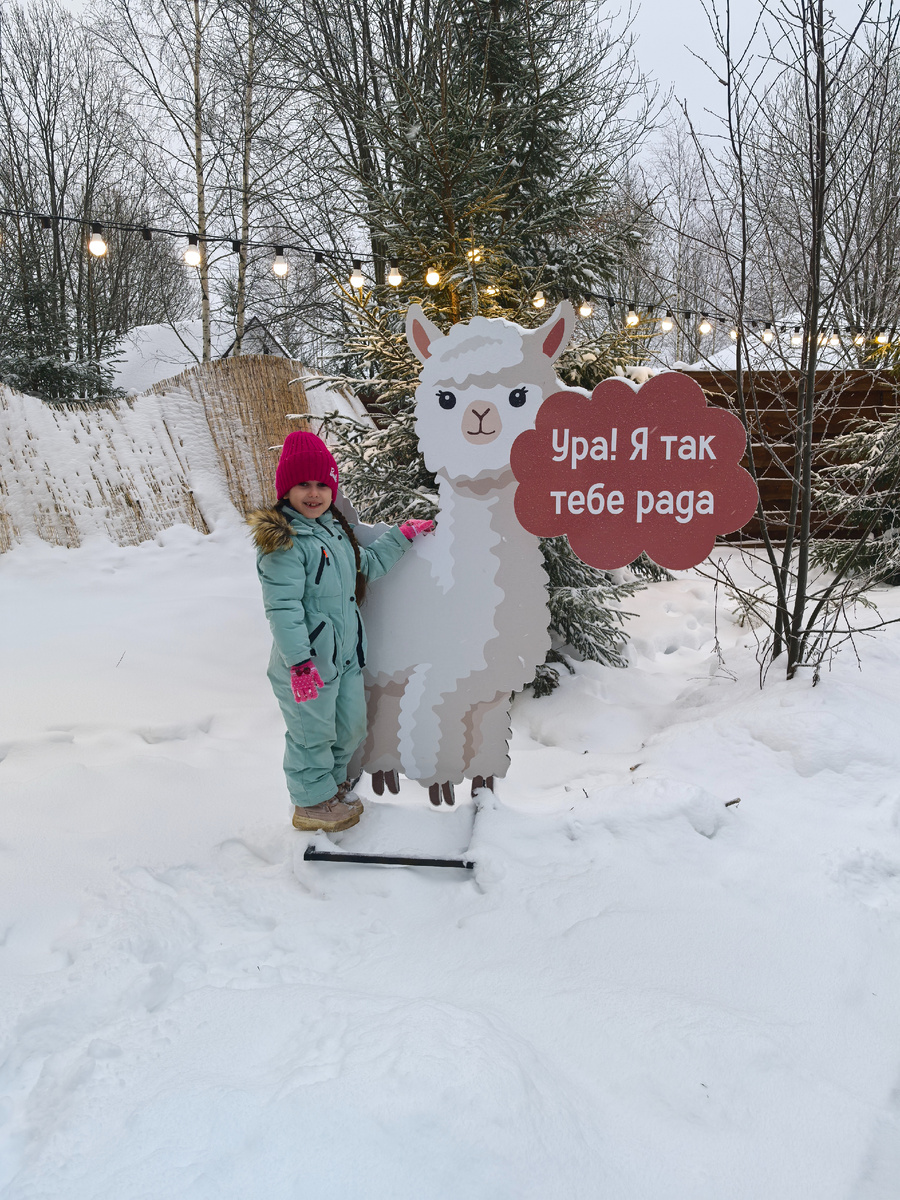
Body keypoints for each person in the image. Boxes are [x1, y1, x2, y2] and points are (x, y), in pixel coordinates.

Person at [249, 431, 433, 833]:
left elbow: (366, 565)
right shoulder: (283, 543)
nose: (313, 493)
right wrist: (299, 663)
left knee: (349, 727)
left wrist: (401, 537)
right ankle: (311, 804)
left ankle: (330, 787)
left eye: (321, 484)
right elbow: (282, 609)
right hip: (306, 666)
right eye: (303, 485)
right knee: (311, 734)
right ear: (286, 490)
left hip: (344, 658)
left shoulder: (333, 530)